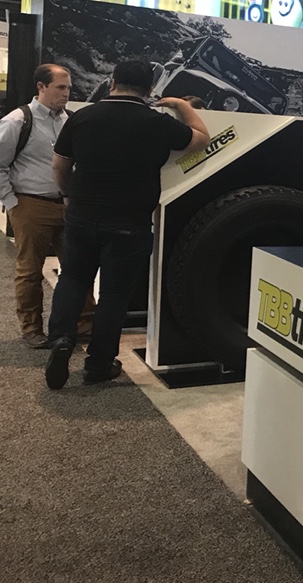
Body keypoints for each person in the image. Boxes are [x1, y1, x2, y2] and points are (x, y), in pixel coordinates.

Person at [45, 60, 210, 389]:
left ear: (112, 82)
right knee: (114, 295)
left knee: (73, 280)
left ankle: (61, 339)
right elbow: (202, 138)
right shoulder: (156, 122)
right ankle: (99, 364)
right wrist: (181, 105)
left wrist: (67, 196)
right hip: (129, 224)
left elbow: (60, 164)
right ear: (149, 90)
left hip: (81, 217)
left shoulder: (83, 117)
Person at [0, 64, 94, 348]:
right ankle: (32, 328)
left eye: (69, 88)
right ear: (41, 87)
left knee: (78, 266)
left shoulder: (72, 120)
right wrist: (12, 202)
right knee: (30, 270)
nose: (67, 93)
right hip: (31, 204)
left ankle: (84, 323)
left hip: (68, 205)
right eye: (60, 88)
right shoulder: (18, 121)